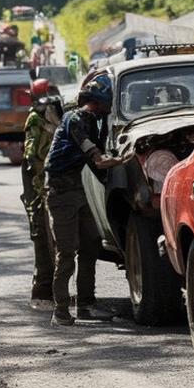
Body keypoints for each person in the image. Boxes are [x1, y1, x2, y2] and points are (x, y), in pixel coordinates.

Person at [44, 77, 120, 327]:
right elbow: (96, 158)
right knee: (66, 252)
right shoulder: (76, 119)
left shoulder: (92, 121)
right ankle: (61, 310)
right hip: (60, 192)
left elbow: (95, 161)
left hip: (75, 188)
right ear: (98, 103)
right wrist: (122, 160)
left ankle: (86, 304)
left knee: (91, 243)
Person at [22, 80, 62, 310]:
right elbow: (31, 156)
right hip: (40, 191)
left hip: (50, 187)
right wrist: (44, 177)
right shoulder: (35, 120)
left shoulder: (52, 117)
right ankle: (43, 294)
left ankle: (57, 294)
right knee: (45, 244)